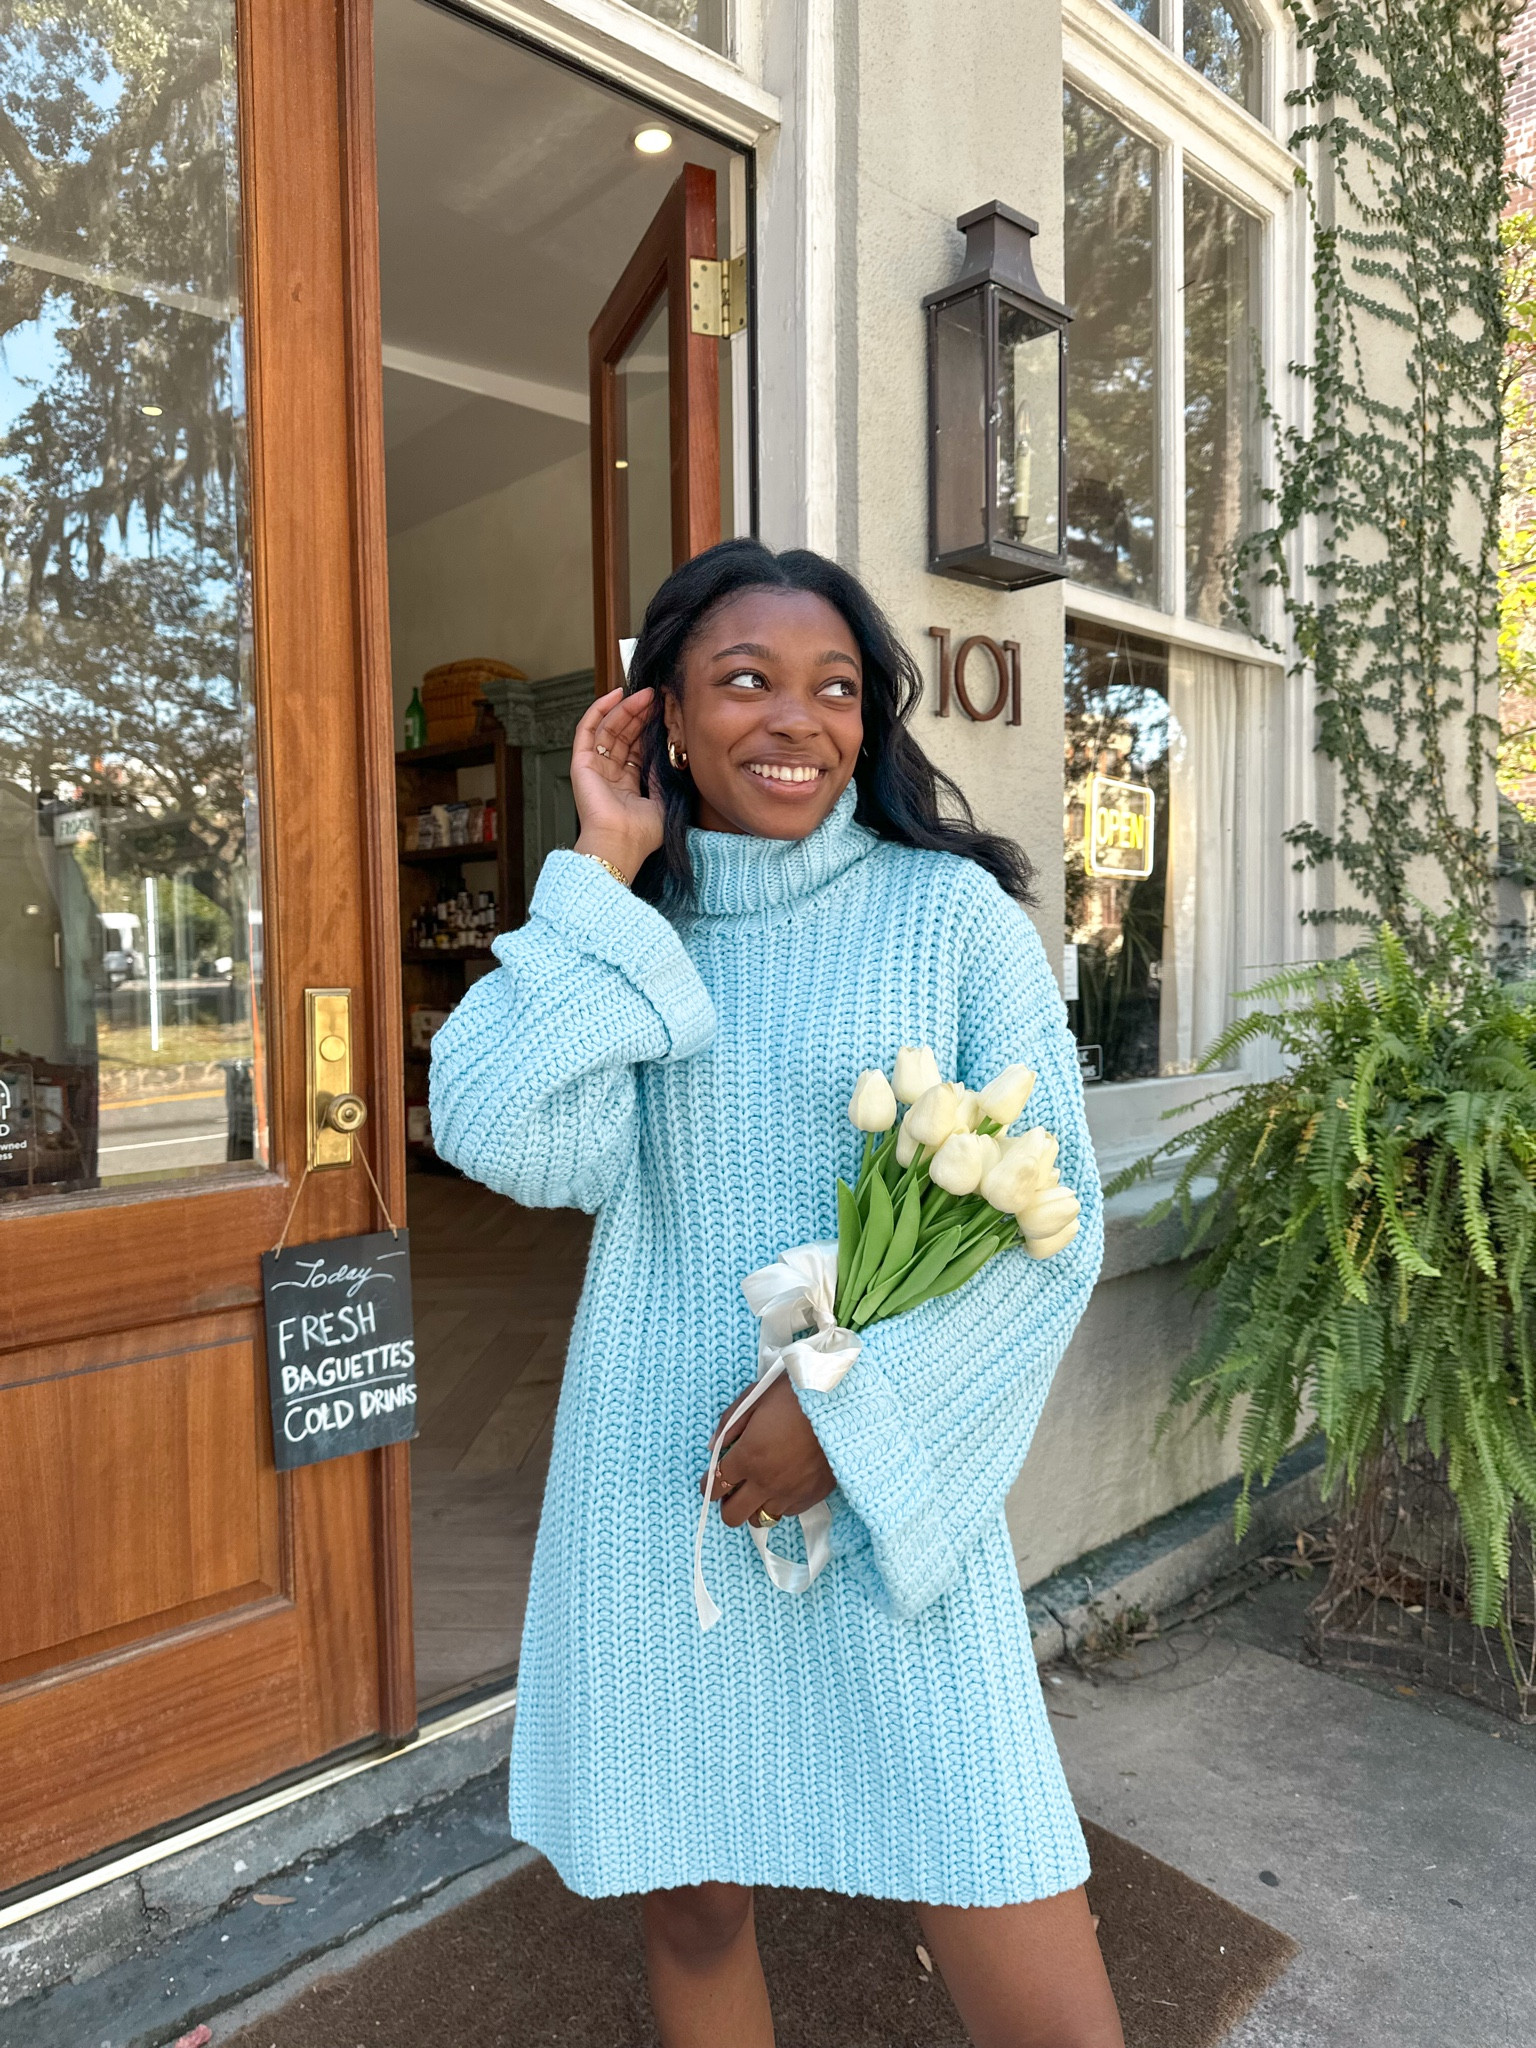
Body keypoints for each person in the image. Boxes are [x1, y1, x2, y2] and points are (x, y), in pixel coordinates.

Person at [429, 538, 1122, 2048]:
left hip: (889, 1498)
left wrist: (845, 1425)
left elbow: (1055, 1234)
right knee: (692, 1897)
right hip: (665, 1492)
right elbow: (497, 1129)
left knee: (992, 1866)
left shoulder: (952, 920)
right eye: (744, 680)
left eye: (835, 687)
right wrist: (600, 870)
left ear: (869, 719)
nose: (796, 718)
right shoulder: (635, 939)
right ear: (665, 719)